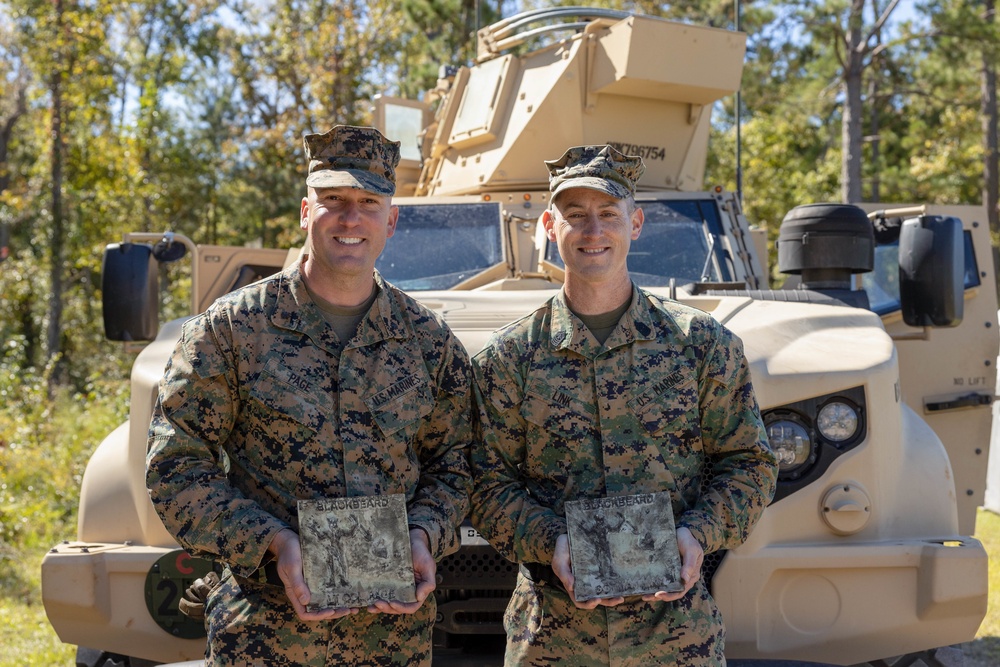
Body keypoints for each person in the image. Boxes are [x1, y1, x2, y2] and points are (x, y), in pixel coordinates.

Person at [147, 125, 473, 666]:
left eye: (368, 202)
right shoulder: (228, 332)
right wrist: (273, 544)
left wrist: (423, 535)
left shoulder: (429, 342)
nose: (351, 219)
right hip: (264, 633)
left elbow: (458, 466)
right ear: (305, 211)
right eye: (333, 201)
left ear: (391, 220)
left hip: (392, 640)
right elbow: (176, 471)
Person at [470, 145, 778, 666]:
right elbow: (482, 482)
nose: (594, 231)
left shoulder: (700, 345)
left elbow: (750, 464)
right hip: (552, 638)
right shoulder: (510, 358)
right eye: (575, 216)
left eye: (609, 214)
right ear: (549, 225)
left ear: (635, 223)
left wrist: (697, 534)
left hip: (676, 637)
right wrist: (552, 542)